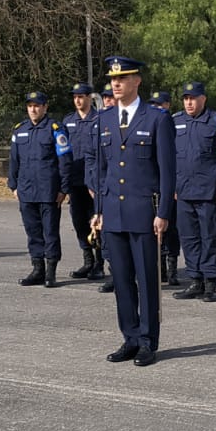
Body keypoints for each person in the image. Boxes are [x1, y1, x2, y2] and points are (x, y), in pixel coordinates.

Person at [92, 57, 175, 366]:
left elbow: (168, 171)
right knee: (122, 280)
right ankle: (129, 337)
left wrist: (163, 212)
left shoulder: (156, 118)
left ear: (137, 81)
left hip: (144, 212)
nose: (116, 83)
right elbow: (102, 170)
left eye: (123, 77)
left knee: (146, 279)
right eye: (113, 78)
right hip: (113, 211)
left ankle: (148, 341)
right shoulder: (104, 119)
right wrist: (98, 210)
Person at [170, 81, 216, 303]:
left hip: (210, 191)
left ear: (203, 99)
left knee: (209, 237)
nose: (189, 102)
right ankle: (195, 280)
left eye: (193, 98)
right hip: (183, 191)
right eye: (186, 98)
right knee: (189, 238)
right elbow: (168, 157)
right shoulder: (175, 122)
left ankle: (210, 283)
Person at [8, 90, 70, 287]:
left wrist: (63, 188)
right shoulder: (20, 130)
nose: (33, 109)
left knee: (50, 232)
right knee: (33, 232)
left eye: (37, 105)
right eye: (30, 106)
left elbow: (64, 161)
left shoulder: (55, 129)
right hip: (26, 190)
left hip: (48, 191)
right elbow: (14, 161)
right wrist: (13, 185)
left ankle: (51, 272)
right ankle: (37, 269)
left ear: (45, 107)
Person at [61, 82, 103, 282]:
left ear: (89, 98)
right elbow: (63, 153)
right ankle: (88, 260)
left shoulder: (100, 119)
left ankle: (100, 262)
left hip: (94, 181)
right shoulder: (68, 121)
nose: (78, 100)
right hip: (76, 181)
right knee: (79, 223)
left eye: (82, 96)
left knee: (97, 222)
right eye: (75, 97)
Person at [149, 89, 181, 285]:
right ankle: (159, 268)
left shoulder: (173, 123)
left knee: (171, 230)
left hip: (171, 185)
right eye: (154, 104)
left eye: (160, 104)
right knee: (154, 229)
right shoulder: (151, 124)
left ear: (168, 105)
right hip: (154, 185)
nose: (157, 108)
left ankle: (173, 269)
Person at [96, 84, 118, 294]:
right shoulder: (100, 123)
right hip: (103, 189)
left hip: (125, 192)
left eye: (110, 97)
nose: (108, 100)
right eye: (105, 97)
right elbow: (93, 159)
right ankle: (114, 274)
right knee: (107, 237)